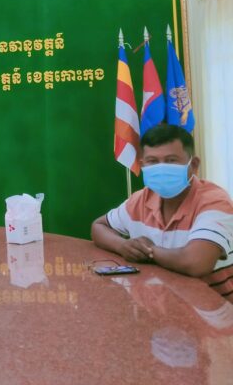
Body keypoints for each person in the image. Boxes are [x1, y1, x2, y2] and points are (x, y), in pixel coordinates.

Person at [91, 124, 233, 301]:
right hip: (162, 306)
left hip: (214, 311)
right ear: (143, 165)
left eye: (171, 160)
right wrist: (123, 246)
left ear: (194, 164)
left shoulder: (214, 201)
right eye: (152, 161)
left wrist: (148, 251)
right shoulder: (141, 199)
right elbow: (98, 226)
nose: (161, 168)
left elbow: (196, 263)